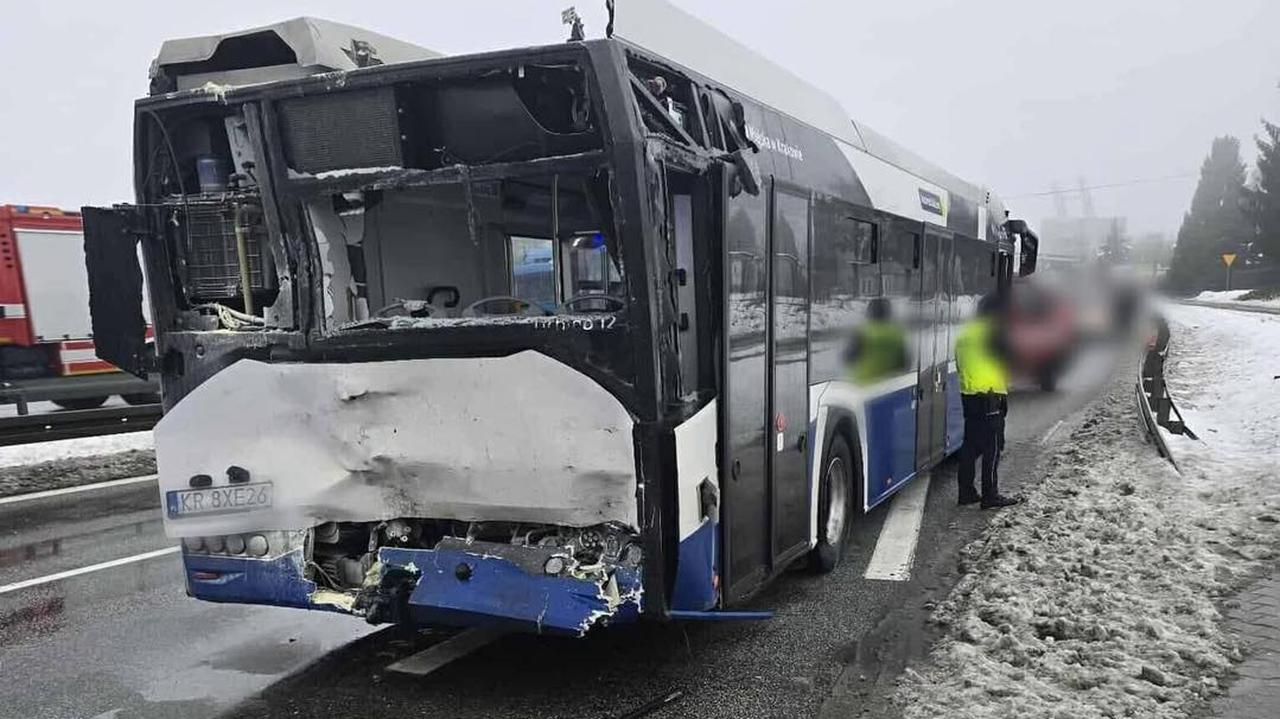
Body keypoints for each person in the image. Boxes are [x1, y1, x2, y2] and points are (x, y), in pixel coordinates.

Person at [955, 294, 1019, 509]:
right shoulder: (992, 332)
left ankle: (966, 491)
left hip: (969, 397)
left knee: (970, 447)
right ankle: (990, 494)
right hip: (990, 397)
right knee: (992, 449)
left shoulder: (966, 333)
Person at [844, 298, 908, 386]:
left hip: (865, 386)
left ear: (870, 313)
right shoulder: (897, 334)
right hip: (890, 387)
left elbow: (849, 358)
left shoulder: (862, 333)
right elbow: (904, 364)